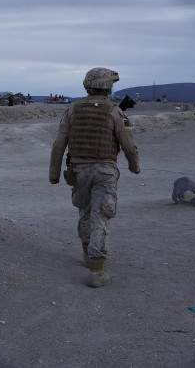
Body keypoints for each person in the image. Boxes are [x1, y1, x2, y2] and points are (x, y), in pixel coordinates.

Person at [49, 67, 141, 287]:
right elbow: (128, 145)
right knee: (101, 216)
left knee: (85, 212)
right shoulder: (115, 112)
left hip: (79, 171)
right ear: (109, 88)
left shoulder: (73, 110)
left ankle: (87, 256)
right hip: (105, 171)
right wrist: (134, 166)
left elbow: (59, 144)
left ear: (86, 86)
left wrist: (54, 174)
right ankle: (96, 271)